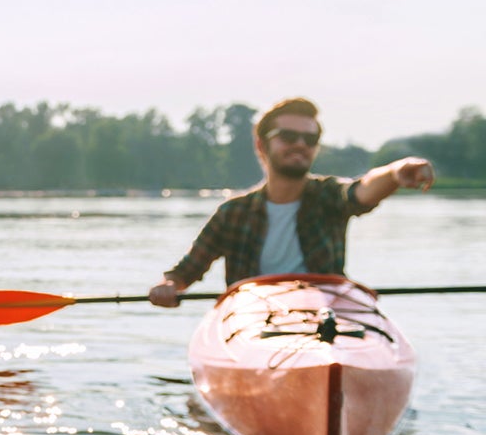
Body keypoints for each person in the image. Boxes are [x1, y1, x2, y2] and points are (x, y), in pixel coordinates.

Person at [149, 97, 435, 306]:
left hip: (326, 315)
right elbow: (184, 273)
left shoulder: (329, 196)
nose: (300, 144)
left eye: (310, 139)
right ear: (262, 145)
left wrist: (397, 172)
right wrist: (169, 286)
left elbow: (363, 190)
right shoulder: (232, 213)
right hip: (253, 318)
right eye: (288, 136)